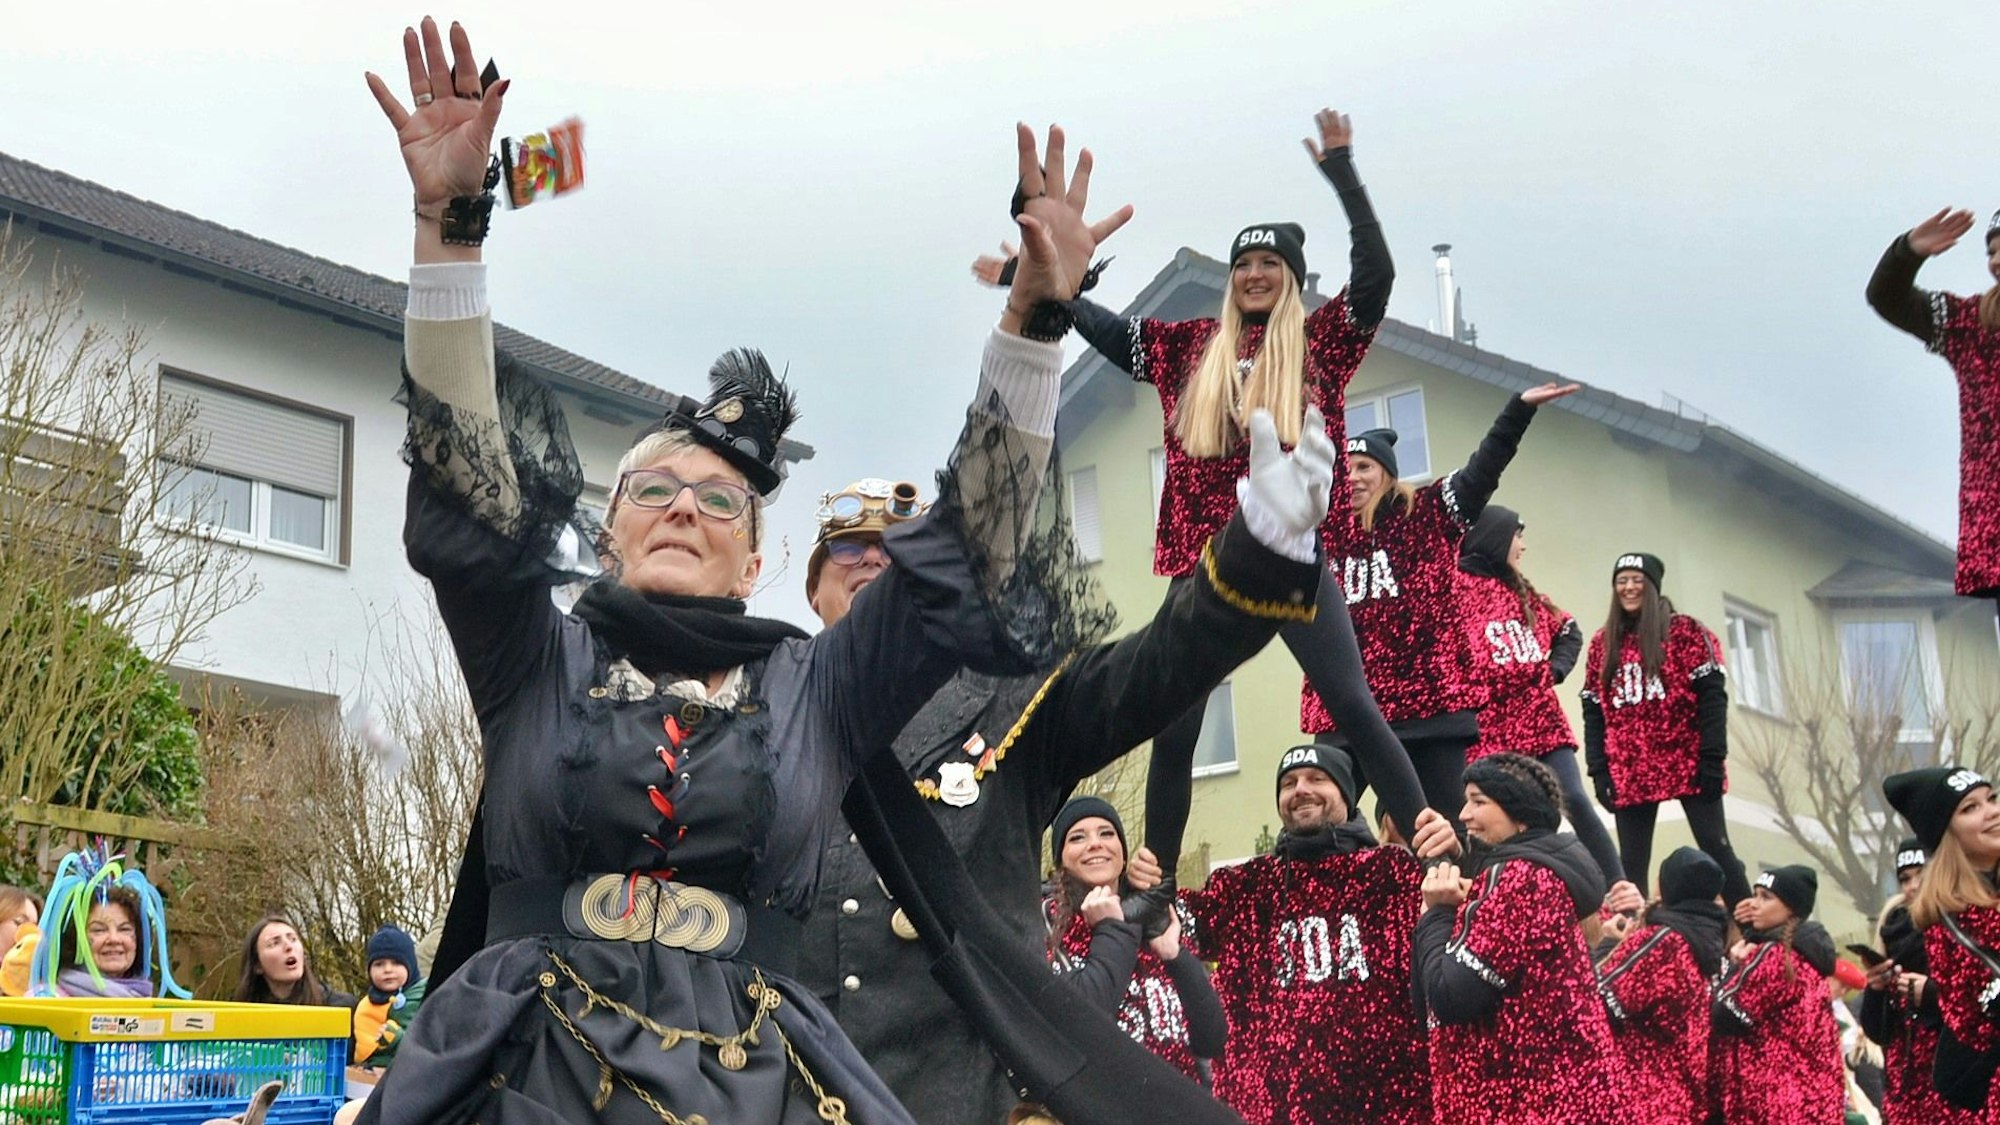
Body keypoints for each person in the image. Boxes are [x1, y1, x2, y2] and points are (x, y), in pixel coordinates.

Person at [355, 18, 1203, 1123]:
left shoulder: (819, 690)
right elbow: (468, 488)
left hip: (756, 1081)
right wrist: (447, 232)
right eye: (652, 491)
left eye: (718, 501)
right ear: (609, 531)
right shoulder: (534, 659)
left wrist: (1031, 329)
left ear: (756, 557)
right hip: (521, 1070)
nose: (682, 509)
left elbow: (965, 556)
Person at [801, 425, 1331, 1120]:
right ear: (813, 589)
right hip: (806, 1090)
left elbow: (1155, 669)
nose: (870, 557)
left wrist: (1260, 552)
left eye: (893, 551)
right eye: (847, 547)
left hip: (971, 1091)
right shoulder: (772, 711)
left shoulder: (1011, 700)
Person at [990, 108, 1430, 890]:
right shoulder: (1187, 346)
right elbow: (1089, 320)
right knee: (1173, 724)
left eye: (1269, 262)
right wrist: (1042, 271)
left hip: (1291, 560)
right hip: (1203, 563)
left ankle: (1437, 845)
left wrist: (1343, 176)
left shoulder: (1322, 342)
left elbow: (1377, 279)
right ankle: (1156, 885)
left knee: (1353, 703)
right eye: (1242, 263)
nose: (1254, 273)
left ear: (1290, 277)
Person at [1158, 742, 1441, 1124]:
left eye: (1316, 779)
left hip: (1388, 1107)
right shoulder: (1247, 887)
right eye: (1288, 783)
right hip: (1271, 1113)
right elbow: (1167, 921)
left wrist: (1451, 848)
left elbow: (1458, 920)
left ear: (1345, 793)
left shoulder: (1391, 874)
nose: (1300, 790)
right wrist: (1146, 879)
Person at [1413, 752, 1626, 1123]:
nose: (1463, 815)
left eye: (1479, 802)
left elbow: (1450, 996)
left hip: (1530, 1105)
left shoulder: (1519, 880)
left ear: (1520, 813)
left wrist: (1437, 913)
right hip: (1557, 1100)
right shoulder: (1540, 873)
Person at [1456, 503, 1619, 881]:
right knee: (1495, 815)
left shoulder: (1523, 592)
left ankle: (1618, 886)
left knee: (1573, 800)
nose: (1523, 547)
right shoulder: (1456, 587)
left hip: (1540, 718)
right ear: (1497, 539)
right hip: (1488, 727)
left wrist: (1556, 669)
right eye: (1518, 536)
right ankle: (1487, 887)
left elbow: (1569, 630)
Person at [1580, 551, 1751, 904]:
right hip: (1631, 768)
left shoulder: (1686, 632)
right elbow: (1593, 712)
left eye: (1637, 581)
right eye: (1621, 581)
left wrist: (1712, 758)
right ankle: (1631, 934)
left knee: (1716, 845)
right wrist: (1599, 771)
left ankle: (1751, 925)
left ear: (1653, 587)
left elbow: (1713, 700)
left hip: (1687, 758)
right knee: (1631, 863)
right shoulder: (1602, 644)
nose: (1629, 588)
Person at [1864, 209, 2000, 612]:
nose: (1996, 260)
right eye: (1992, 251)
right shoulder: (1973, 324)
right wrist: (1907, 253)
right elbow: (1888, 299)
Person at [1042, 798, 1226, 1082]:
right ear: (1061, 861)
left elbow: (1211, 1039)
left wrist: (1175, 956)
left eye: (1107, 833)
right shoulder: (1047, 922)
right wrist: (1113, 928)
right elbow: (1082, 1022)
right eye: (1077, 837)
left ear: (1123, 854)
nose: (1095, 844)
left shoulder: (1157, 914)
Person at [1884, 766, 2000, 1113]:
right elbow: (1977, 1022)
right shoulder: (1954, 921)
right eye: (1970, 808)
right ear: (1947, 836)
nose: (1992, 811)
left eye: (1991, 799)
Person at [1594, 847, 1729, 1125]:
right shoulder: (1714, 951)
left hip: (1637, 1102)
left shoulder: (1662, 941)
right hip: (1683, 1104)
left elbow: (1595, 1004)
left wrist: (1607, 944)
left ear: (1666, 884)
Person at [1711, 865, 1844, 1125]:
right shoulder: (1808, 956)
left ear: (1792, 907)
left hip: (1775, 1105)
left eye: (1766, 897)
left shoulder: (1775, 956)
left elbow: (1724, 1014)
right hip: (1815, 1103)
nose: (1754, 904)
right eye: (1755, 894)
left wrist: (1734, 967)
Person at [1859, 837, 1979, 1125]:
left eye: (1921, 874)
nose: (1913, 886)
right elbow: (1880, 1033)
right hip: (1906, 1094)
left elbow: (1980, 1008)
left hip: (1960, 1088)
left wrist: (1930, 993)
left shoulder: (1969, 926)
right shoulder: (1893, 932)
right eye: (1904, 878)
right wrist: (1876, 991)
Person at [10, 845, 189, 999]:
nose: (114, 939)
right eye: (99, 930)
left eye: (125, 929)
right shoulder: (48, 1000)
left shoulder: (145, 1004)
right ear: (74, 941)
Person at [234, 913, 356, 1008]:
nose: (288, 946)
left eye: (293, 939)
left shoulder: (342, 1007)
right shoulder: (240, 1016)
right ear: (257, 965)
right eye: (274, 943)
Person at [354, 924, 427, 1070]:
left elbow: (429, 1043)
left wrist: (397, 1038)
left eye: (396, 963)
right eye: (379, 964)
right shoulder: (366, 1005)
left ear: (410, 965)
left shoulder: (424, 996)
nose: (388, 970)